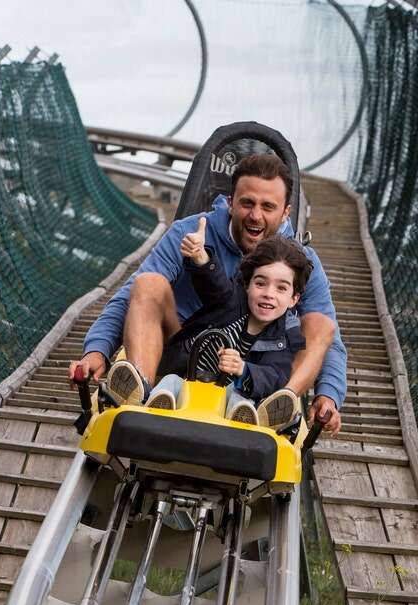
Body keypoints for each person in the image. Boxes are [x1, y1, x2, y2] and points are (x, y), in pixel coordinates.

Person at [69, 153, 345, 433]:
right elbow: (131, 298)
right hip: (182, 351)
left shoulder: (300, 261)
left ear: (286, 212)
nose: (255, 215)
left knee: (322, 323)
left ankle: (276, 406)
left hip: (254, 368)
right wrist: (98, 351)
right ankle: (141, 389)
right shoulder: (189, 232)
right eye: (247, 203)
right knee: (148, 283)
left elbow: (327, 338)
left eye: (268, 206)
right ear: (230, 202)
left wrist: (328, 394)